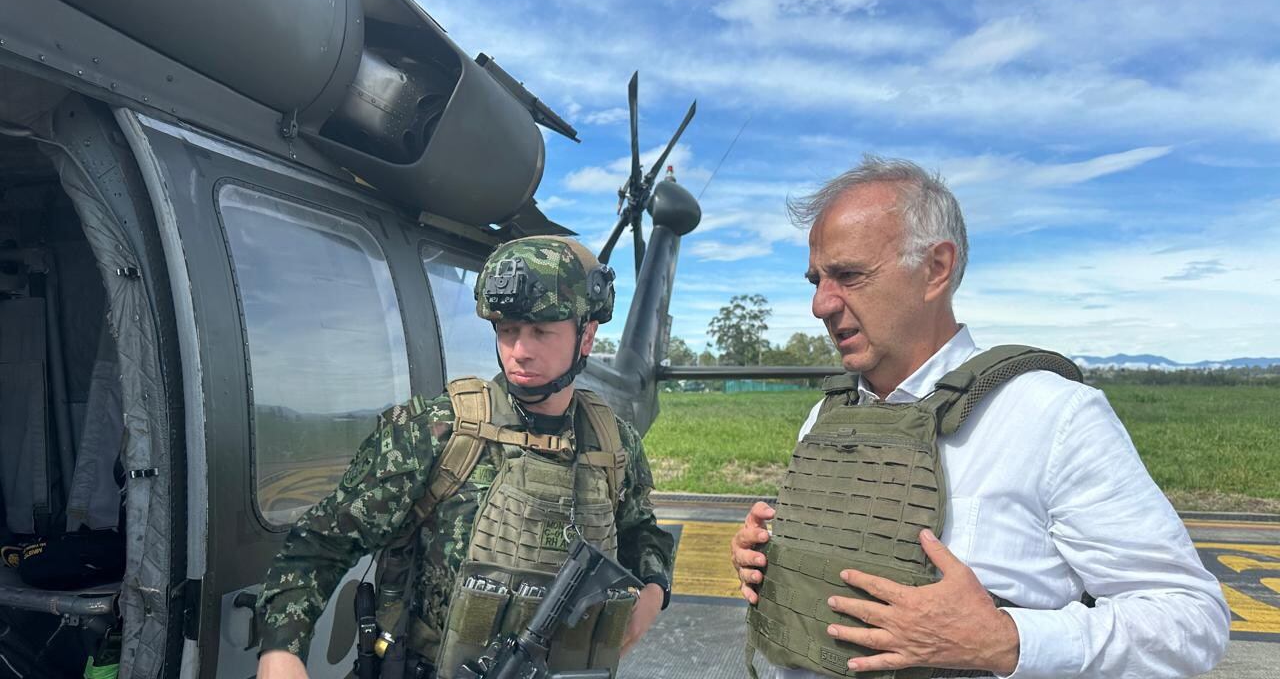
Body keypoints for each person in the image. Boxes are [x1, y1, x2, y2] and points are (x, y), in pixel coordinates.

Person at [730, 156, 1229, 678]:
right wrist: (771, 563)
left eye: (849, 275)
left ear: (935, 269)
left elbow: (1192, 620)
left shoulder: (1049, 415)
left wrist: (1004, 640)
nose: (820, 305)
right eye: (816, 280)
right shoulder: (828, 416)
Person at [257, 235, 674, 679]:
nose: (520, 351)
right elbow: (321, 542)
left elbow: (640, 529)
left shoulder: (612, 442)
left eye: (541, 331)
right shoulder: (439, 432)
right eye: (508, 330)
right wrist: (281, 651)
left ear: (586, 336)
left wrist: (654, 589)